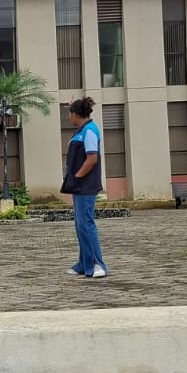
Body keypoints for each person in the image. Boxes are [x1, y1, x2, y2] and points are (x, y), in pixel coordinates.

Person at [61, 97, 107, 279]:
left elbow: (92, 158)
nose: (69, 117)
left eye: (70, 113)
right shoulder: (81, 131)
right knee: (80, 225)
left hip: (86, 186)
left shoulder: (89, 131)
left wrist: (77, 176)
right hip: (79, 186)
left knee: (86, 224)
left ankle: (97, 264)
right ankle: (83, 263)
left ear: (75, 114)